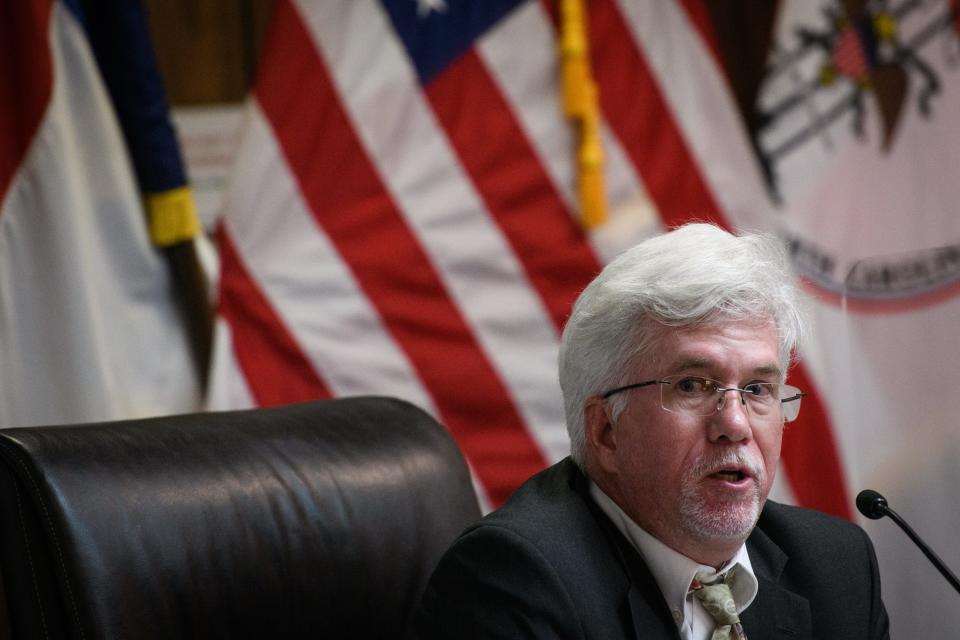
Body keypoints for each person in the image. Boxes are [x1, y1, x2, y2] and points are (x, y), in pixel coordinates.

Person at [412, 223, 889, 639]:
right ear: (605, 432)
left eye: (758, 388)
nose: (736, 424)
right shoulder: (514, 583)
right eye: (691, 386)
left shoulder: (835, 567)